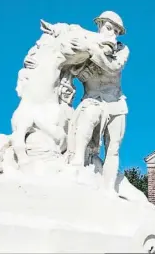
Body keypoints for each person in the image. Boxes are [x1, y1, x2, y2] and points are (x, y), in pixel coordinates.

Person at [66, 11, 129, 193]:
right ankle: (77, 165)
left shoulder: (122, 49)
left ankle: (109, 190)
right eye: (109, 28)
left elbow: (113, 67)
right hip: (92, 100)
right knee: (87, 120)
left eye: (116, 31)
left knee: (113, 148)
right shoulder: (87, 45)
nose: (113, 34)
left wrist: (92, 51)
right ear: (100, 25)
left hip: (116, 103)